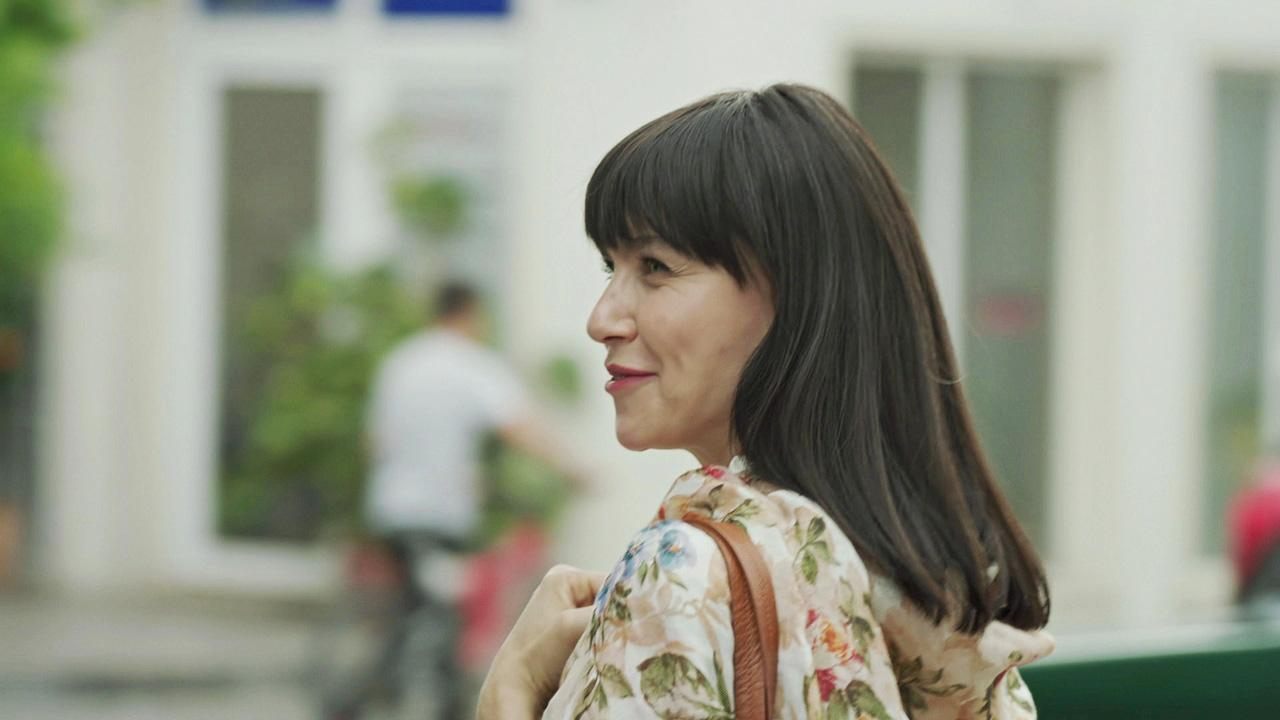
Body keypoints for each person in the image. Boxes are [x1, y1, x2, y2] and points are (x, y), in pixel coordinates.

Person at [477, 83, 1054, 719]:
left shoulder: (679, 577)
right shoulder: (943, 612)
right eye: (610, 269)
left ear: (794, 294)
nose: (602, 319)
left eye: (656, 267)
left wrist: (510, 688)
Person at [341, 280, 583, 720]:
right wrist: (572, 468)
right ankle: (353, 702)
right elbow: (519, 425)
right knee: (441, 617)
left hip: (392, 512)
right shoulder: (468, 364)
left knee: (417, 612)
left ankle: (370, 699)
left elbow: (373, 442)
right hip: (435, 516)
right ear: (469, 314)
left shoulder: (401, 361)